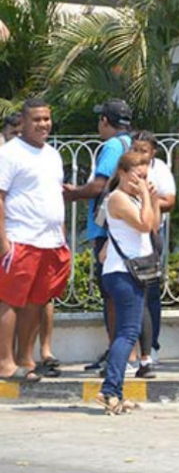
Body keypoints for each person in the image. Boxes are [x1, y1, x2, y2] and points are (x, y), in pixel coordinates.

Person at [0, 99, 71, 383]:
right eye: (37, 120)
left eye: (47, 119)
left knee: (37, 301)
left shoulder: (53, 155)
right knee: (9, 300)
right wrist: (3, 240)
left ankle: (24, 358)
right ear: (24, 122)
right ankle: (5, 362)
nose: (43, 124)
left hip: (50, 242)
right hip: (20, 238)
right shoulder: (10, 153)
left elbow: (55, 196)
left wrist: (62, 237)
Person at [63, 98, 134, 370]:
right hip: (124, 228)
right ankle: (122, 352)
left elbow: (98, 186)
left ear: (105, 121)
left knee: (111, 294)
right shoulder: (130, 144)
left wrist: (73, 193)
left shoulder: (112, 146)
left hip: (107, 230)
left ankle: (118, 353)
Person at [96, 151, 160, 414]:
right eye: (138, 176)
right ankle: (109, 389)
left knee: (127, 331)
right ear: (122, 173)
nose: (142, 181)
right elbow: (144, 227)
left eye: (145, 176)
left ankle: (116, 393)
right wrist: (145, 195)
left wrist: (151, 198)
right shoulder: (118, 199)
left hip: (129, 271)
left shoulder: (132, 198)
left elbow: (152, 224)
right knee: (128, 333)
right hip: (122, 273)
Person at [129, 130, 176, 373]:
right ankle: (130, 351)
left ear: (153, 152)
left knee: (150, 294)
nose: (139, 154)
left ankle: (151, 346)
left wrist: (150, 199)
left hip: (151, 235)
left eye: (143, 150)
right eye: (135, 149)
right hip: (127, 236)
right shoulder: (126, 168)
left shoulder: (160, 170)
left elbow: (171, 200)